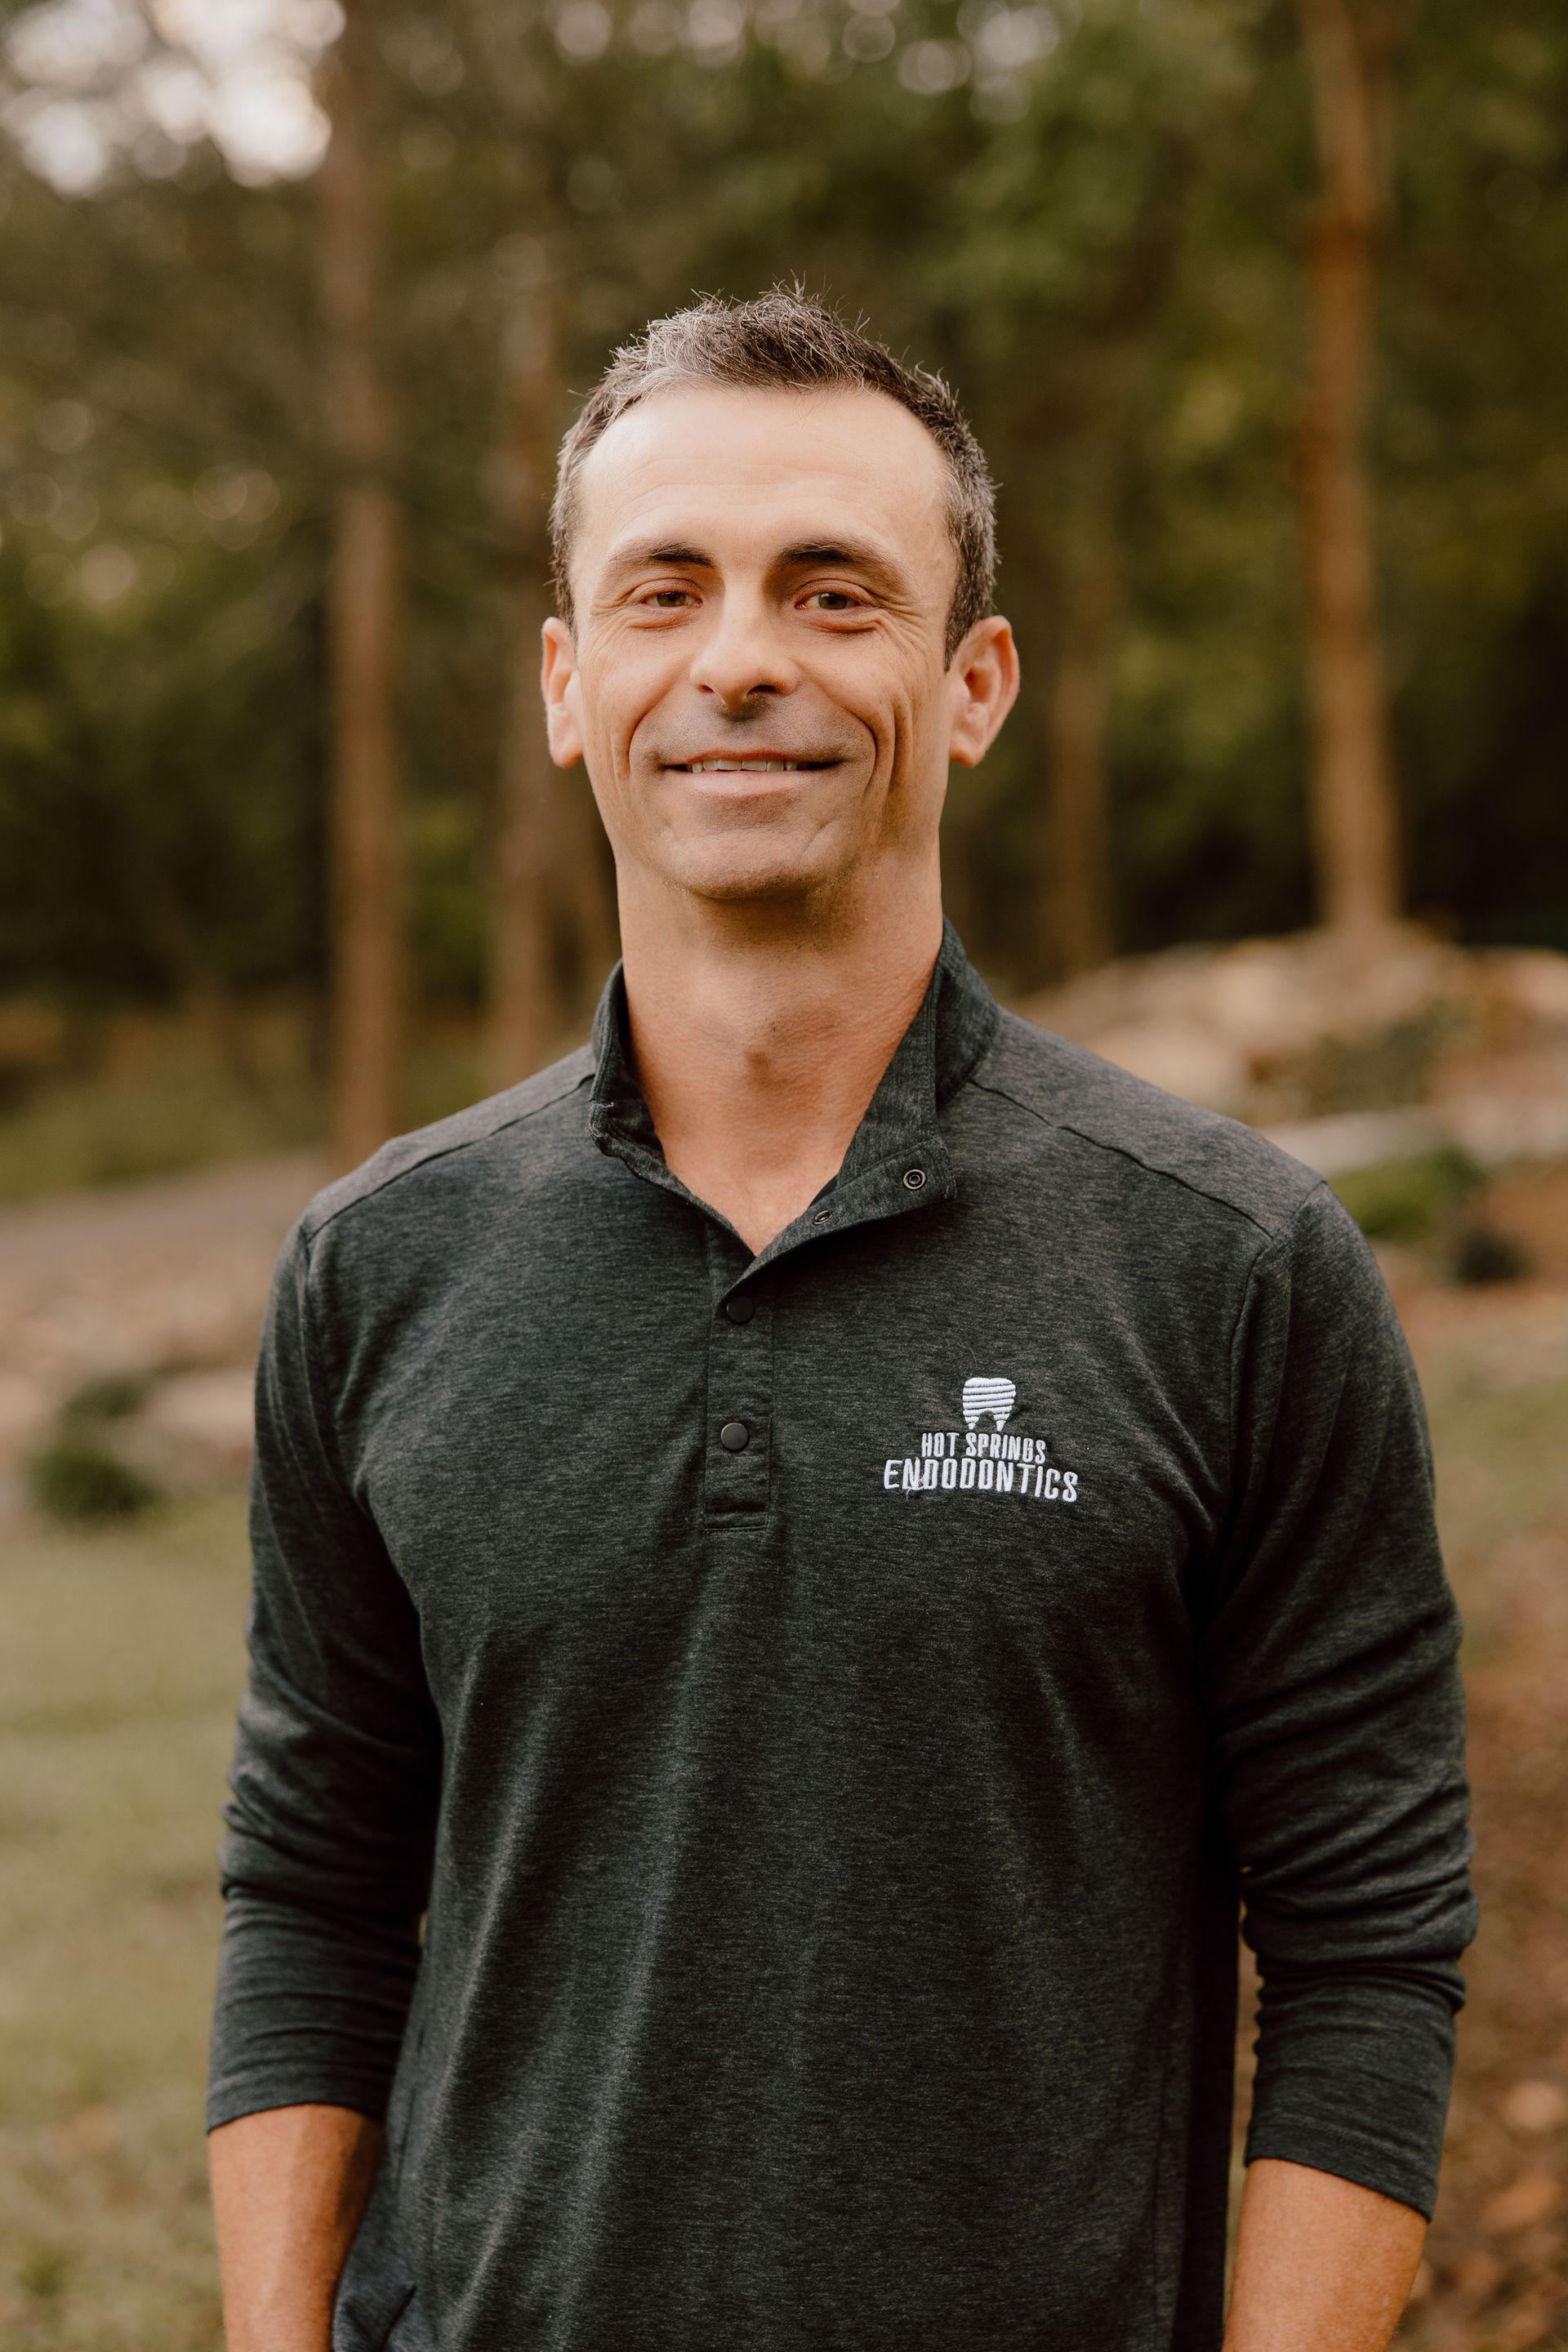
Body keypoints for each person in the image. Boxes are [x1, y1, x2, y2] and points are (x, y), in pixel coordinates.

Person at [206, 291, 1476, 2352]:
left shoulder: (1233, 1265)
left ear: (972, 685)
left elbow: (1368, 1945)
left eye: (833, 592)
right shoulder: (378, 1269)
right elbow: (312, 1894)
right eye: (664, 591)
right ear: (567, 681)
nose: (738, 663)